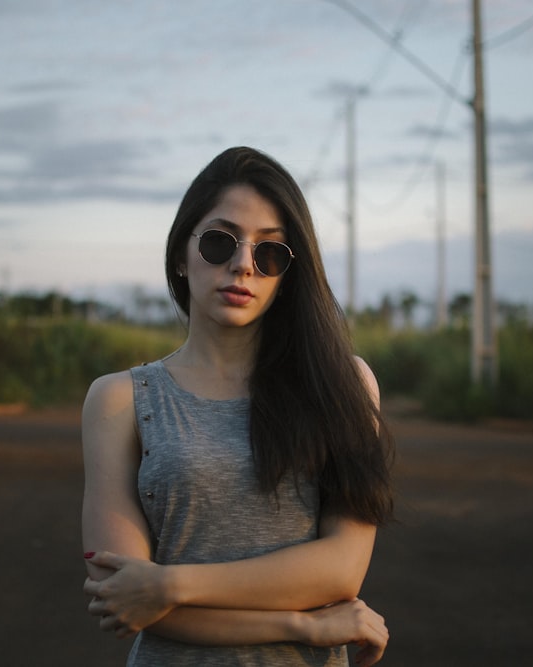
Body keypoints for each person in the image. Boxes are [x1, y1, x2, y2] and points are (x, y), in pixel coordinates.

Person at [81, 146, 395, 666]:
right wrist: (303, 624)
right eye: (220, 241)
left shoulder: (344, 385)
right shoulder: (119, 400)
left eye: (270, 252)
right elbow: (124, 595)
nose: (243, 264)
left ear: (287, 273)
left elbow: (341, 568)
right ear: (182, 254)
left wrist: (169, 584)